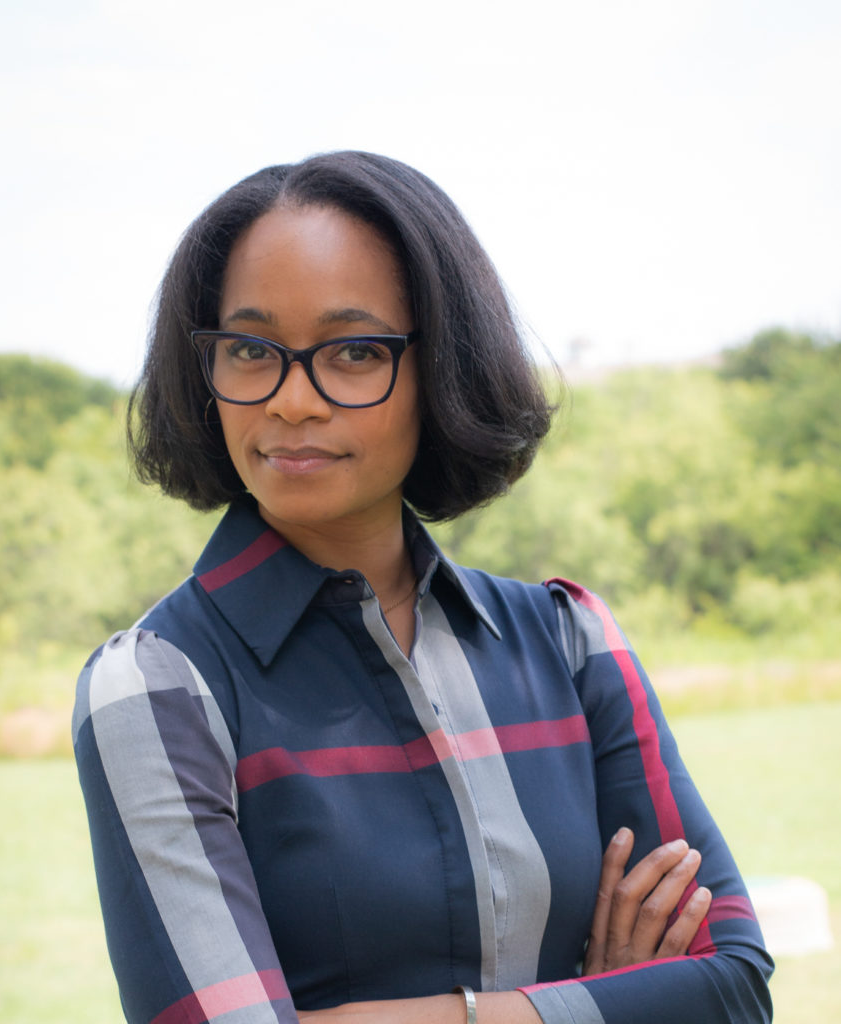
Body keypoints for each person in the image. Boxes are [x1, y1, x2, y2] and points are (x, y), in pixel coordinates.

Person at [73, 151, 773, 1024]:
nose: (291, 401)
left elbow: (735, 984)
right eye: (251, 349)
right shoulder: (156, 688)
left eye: (355, 351)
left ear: (442, 369)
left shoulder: (569, 641)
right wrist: (589, 1002)